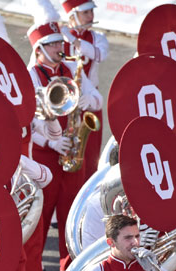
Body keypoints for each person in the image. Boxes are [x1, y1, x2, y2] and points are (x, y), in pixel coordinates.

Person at [21, 0, 102, 271]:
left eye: (59, 43)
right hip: (43, 158)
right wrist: (49, 142)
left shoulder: (72, 71)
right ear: (39, 48)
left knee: (74, 236)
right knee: (35, 239)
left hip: (72, 156)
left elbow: (98, 100)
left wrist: (86, 100)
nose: (59, 48)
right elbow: (22, 122)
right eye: (52, 45)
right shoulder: (27, 77)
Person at [60, 0, 108, 181]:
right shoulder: (57, 38)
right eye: (85, 12)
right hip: (64, 100)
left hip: (90, 98)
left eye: (91, 12)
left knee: (91, 151)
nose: (91, 16)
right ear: (72, 15)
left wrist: (74, 40)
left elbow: (100, 55)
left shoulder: (98, 38)